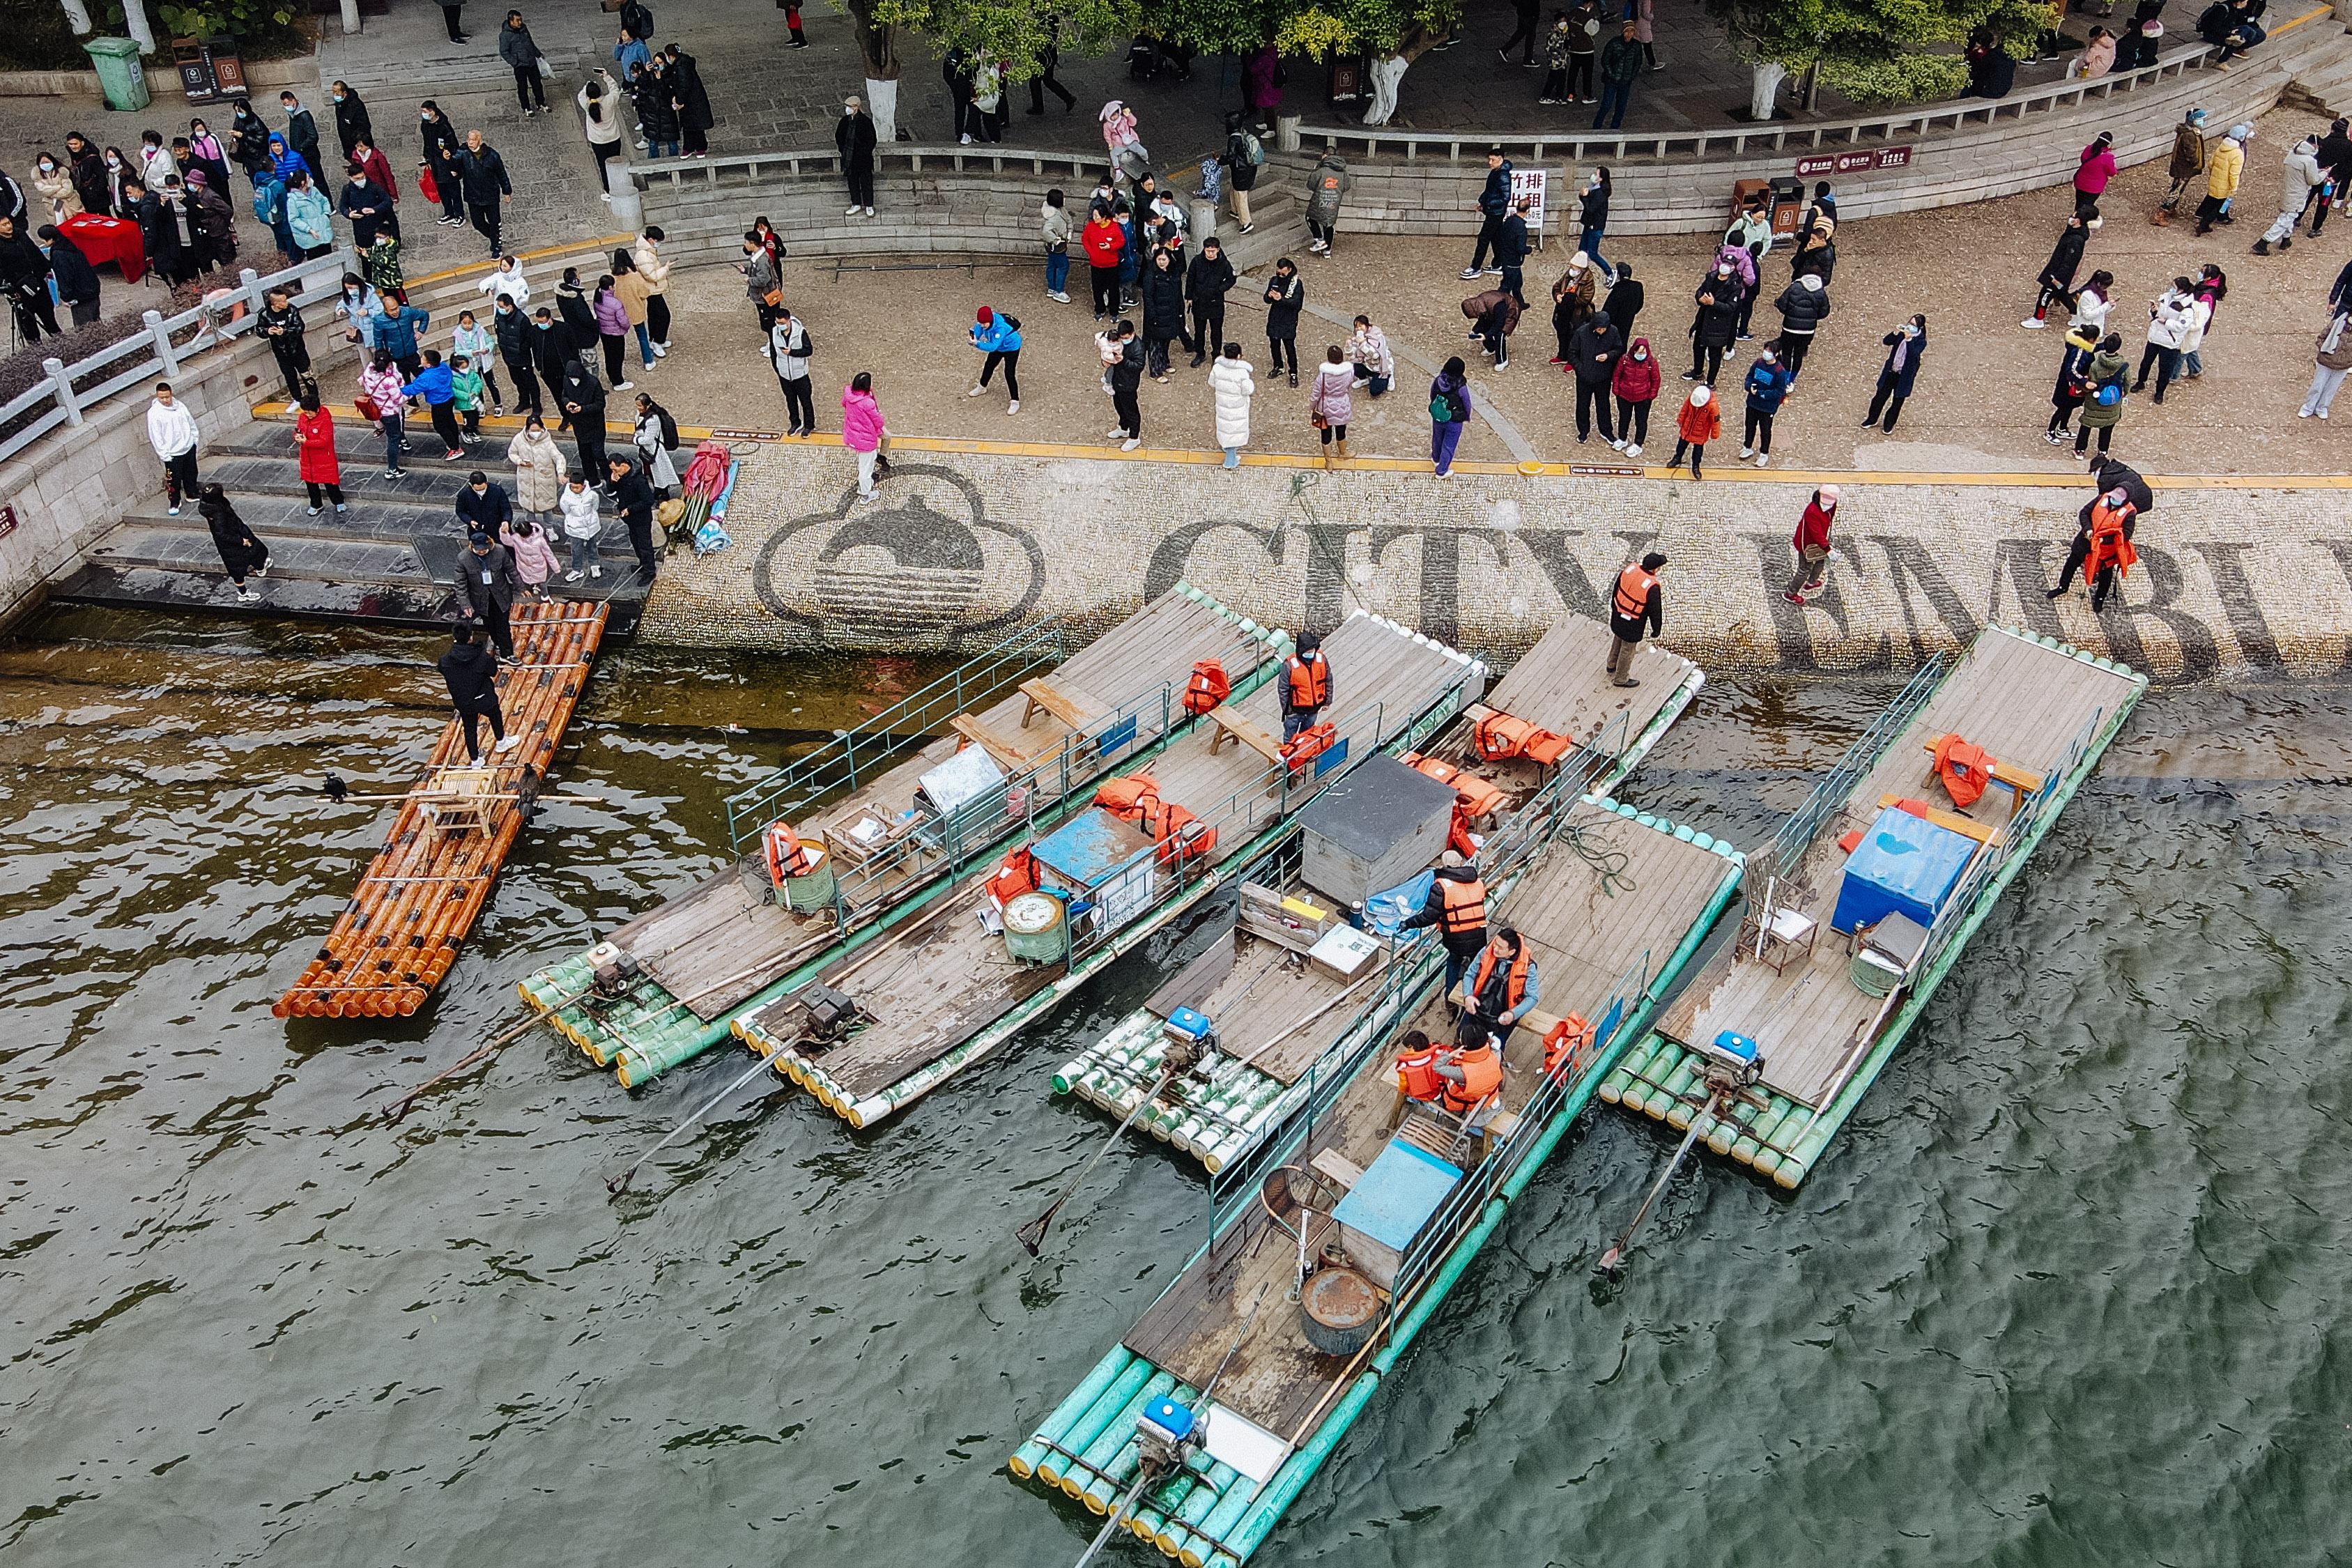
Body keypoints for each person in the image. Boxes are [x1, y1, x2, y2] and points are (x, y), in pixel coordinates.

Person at [1401, 849, 1488, 996]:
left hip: (1456, 936)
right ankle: (1480, 991)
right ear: (1460, 863)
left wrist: (1407, 923)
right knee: (1478, 962)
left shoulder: (1440, 887)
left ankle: (1450, 994)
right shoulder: (1477, 882)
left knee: (1454, 961)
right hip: (1479, 932)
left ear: (1444, 865)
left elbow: (1428, 917)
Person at [2047, 487, 2138, 610]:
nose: (2113, 501)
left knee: (2106, 575)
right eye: (2113, 498)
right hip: (2084, 542)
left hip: (2106, 551)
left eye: (2117, 500)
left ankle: (2100, 599)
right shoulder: (2102, 498)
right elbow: (2085, 512)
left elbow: (2126, 534)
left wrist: (2104, 540)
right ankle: (2062, 587)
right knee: (2071, 564)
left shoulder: (2129, 513)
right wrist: (2088, 529)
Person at [440, 623, 517, 762]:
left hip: (463, 701)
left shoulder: (445, 661)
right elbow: (493, 671)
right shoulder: (481, 657)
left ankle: (475, 760)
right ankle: (501, 741)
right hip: (484, 697)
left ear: (454, 638)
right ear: (471, 637)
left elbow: (443, 670)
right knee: (495, 715)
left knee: (469, 729)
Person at [1461, 926, 1539, 1047]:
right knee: (1463, 1037)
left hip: (1503, 1014)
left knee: (1494, 1047)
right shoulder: (1486, 952)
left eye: (1500, 948)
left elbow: (1532, 997)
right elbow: (1470, 975)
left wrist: (1513, 1014)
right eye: (1495, 944)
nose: (1495, 949)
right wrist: (1468, 996)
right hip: (1477, 1005)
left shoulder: (1528, 967)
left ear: (1511, 952)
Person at [2254, 132, 2325, 254]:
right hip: (2298, 194)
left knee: (2288, 216)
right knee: (2286, 219)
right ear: (2315, 146)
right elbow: (2314, 180)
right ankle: (2263, 242)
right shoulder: (2309, 161)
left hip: (2288, 190)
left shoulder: (2292, 154)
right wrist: (2325, 173)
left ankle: (2286, 239)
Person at [199, 484, 269, 603]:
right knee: (238, 570)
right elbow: (222, 534)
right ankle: (243, 593)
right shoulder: (218, 515)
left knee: (256, 551)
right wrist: (241, 541)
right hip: (233, 544)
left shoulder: (212, 507)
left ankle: (260, 568)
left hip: (237, 535)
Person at [457, 528, 523, 656]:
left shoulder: (499, 551)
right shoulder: (463, 558)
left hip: (500, 595)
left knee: (503, 625)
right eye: (478, 550)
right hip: (480, 598)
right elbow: (460, 584)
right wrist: (465, 605)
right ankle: (498, 643)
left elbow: (511, 570)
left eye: (484, 549)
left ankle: (507, 654)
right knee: (490, 624)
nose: (481, 552)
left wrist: (521, 587)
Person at [1606, 551, 1665, 686]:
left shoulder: (1629, 570)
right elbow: (1655, 611)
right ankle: (1621, 679)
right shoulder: (1652, 587)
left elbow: (1617, 588)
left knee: (1617, 639)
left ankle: (1611, 665)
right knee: (1627, 650)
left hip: (1618, 613)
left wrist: (1614, 607)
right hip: (1633, 623)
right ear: (1655, 568)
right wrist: (1656, 630)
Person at [2133, 277, 2196, 404]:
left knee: (2165, 369)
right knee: (2146, 362)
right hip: (2155, 337)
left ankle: (2160, 392)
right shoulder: (2166, 297)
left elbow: (2182, 326)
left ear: (2181, 290)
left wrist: (2167, 322)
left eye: (2174, 286)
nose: (2171, 288)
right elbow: (2158, 314)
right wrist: (2153, 311)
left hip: (2169, 342)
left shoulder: (2187, 308)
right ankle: (2141, 382)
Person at [2026, 213, 2091, 329]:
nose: (2071, 218)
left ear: (2078, 221)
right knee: (2062, 294)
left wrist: (2057, 277)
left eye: (2074, 216)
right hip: (2059, 274)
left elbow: (2069, 262)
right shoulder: (2074, 232)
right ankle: (2076, 314)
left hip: (2058, 275)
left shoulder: (2075, 240)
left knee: (2045, 295)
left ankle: (2038, 318)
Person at [0, 215, 57, 345]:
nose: (9, 226)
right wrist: (9, 289)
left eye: (9, 223)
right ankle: (35, 348)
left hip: (37, 282)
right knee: (28, 322)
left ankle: (58, 339)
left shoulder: (20, 234)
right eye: (4, 225)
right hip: (19, 290)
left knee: (48, 314)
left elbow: (34, 252)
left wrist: (46, 268)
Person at [146, 382, 201, 516]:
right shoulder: (154, 413)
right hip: (172, 453)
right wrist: (164, 455)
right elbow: (156, 436)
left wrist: (194, 439)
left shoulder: (180, 406)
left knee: (191, 471)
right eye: (162, 398)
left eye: (167, 397)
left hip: (188, 446)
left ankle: (191, 493)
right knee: (174, 480)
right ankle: (174, 502)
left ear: (171, 394)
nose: (165, 400)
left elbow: (190, 422)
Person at [1864, 316, 1927, 433]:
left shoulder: (1921, 341)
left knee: (1897, 402)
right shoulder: (1902, 334)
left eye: (1913, 325)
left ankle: (1889, 424)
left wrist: (1909, 341)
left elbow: (1913, 355)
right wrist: (1895, 332)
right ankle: (1872, 419)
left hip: (1904, 376)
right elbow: (1886, 341)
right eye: (1910, 323)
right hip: (1891, 371)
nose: (1910, 326)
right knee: (1880, 397)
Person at [456, 130, 512, 256]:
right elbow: (456, 167)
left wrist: (507, 191)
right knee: (478, 223)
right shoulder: (464, 153)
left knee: (494, 221)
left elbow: (502, 174)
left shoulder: (492, 156)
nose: (470, 142)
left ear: (480, 141)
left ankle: (496, 244)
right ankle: (494, 236)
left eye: (473, 140)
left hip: (490, 195)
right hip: (473, 195)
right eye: (469, 139)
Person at [2075, 332, 2130, 459]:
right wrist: (2122, 394)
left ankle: (2080, 450)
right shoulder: (2124, 366)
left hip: (2094, 400)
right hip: (2113, 402)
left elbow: (2092, 383)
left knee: (2087, 424)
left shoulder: (2095, 365)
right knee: (2107, 427)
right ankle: (2103, 451)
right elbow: (2127, 384)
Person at [1184, 238, 1236, 366]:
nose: (1210, 254)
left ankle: (1216, 354)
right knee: (1199, 330)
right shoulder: (1197, 261)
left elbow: (1231, 279)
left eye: (1213, 251)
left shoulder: (1224, 263)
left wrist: (1220, 289)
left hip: (1216, 302)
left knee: (1216, 330)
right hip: (1199, 302)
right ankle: (1200, 353)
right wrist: (1189, 297)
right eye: (1208, 251)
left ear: (1218, 250)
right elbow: (1190, 279)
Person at [1464, 148, 1514, 278]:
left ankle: (1475, 267)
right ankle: (1499, 264)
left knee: (1484, 239)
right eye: (1490, 160)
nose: (1490, 163)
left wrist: (1488, 204)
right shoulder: (1495, 173)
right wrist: (1482, 202)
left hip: (1496, 213)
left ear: (1501, 160)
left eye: (1493, 160)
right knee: (1496, 238)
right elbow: (1489, 191)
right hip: (1493, 211)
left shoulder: (1503, 175)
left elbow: (1505, 198)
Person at [608, 453, 659, 578]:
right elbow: (613, 492)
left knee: (645, 546)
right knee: (635, 543)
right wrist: (612, 481)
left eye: (615, 469)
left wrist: (630, 509)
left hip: (641, 519)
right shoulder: (621, 476)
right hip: (630, 519)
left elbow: (648, 501)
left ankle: (650, 571)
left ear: (624, 465)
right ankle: (642, 564)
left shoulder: (639, 481)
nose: (614, 472)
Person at [1771, 273, 1830, 381]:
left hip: (1790, 327)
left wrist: (1789, 313)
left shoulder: (1794, 287)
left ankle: (1784, 377)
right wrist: (1812, 318)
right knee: (1798, 355)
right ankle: (1792, 379)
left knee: (1787, 353)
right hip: (1808, 331)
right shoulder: (1821, 292)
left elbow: (1782, 304)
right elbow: (1824, 312)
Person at [2047, 321, 2099, 444]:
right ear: (2091, 339)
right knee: (2063, 409)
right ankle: (2050, 431)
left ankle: (2063, 428)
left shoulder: (2082, 345)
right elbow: (2071, 370)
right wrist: (2083, 381)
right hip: (2068, 386)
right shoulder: (2079, 351)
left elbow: (2094, 348)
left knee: (2069, 407)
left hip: (2073, 386)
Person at [2155, 108, 2209, 225]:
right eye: (2200, 120)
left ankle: (2171, 209)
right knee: (2176, 190)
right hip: (2184, 169)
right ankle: (2161, 213)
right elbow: (2191, 154)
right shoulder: (2189, 135)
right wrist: (2196, 163)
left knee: (2179, 189)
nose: (2203, 122)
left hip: (2183, 168)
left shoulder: (2190, 132)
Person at [360, 352, 409, 478]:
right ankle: (392, 469)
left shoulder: (368, 373)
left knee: (393, 435)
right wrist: (410, 394)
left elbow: (365, 388)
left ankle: (401, 440)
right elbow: (399, 400)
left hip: (377, 410)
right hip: (391, 413)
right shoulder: (389, 381)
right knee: (393, 438)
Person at [1739, 346, 1791, 467]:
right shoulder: (1758, 363)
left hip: (1767, 408)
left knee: (1765, 430)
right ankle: (1747, 447)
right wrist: (1749, 386)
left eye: (1770, 351)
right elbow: (1749, 376)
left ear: (1776, 353)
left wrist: (1762, 394)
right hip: (1752, 403)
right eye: (1766, 350)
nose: (1766, 353)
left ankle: (1764, 453)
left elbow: (1779, 391)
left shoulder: (1779, 371)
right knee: (1750, 426)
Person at [1786, 485, 1837, 605]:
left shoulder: (1832, 504)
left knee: (1821, 561)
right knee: (1804, 569)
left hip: (1819, 543)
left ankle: (1811, 582)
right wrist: (1828, 549)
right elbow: (1816, 534)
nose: (1828, 507)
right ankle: (1790, 593)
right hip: (1807, 545)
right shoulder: (1812, 511)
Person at [560, 360, 610, 482]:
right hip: (579, 426)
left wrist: (582, 409)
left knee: (599, 454)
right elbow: (564, 396)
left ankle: (610, 479)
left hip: (595, 425)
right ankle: (593, 480)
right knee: (585, 455)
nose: (573, 380)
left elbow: (600, 404)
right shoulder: (567, 380)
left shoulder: (593, 383)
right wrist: (567, 403)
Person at [966, 305, 1022, 413]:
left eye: (984, 324)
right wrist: (972, 338)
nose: (982, 326)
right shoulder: (982, 323)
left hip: (1011, 348)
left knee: (1009, 373)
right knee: (989, 365)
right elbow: (977, 333)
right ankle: (982, 387)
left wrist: (977, 344)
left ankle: (1015, 401)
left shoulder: (1001, 327)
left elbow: (993, 347)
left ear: (990, 320)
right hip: (999, 347)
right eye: (980, 323)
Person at [41, 225, 100, 328]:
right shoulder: (68, 245)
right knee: (96, 323)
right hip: (92, 290)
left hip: (81, 296)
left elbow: (65, 277)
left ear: (50, 239)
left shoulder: (59, 254)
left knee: (85, 329)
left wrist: (66, 297)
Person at [1686, 270, 1738, 384]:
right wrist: (1700, 298)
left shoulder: (1735, 286)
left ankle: (1710, 382)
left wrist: (1713, 303)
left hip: (1718, 326)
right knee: (1698, 348)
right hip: (1703, 320)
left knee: (1714, 355)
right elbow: (1700, 290)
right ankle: (1697, 372)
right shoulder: (1711, 277)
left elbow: (1730, 308)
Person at [579, 71, 627, 194]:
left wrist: (587, 86)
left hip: (598, 141)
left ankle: (608, 190)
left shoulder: (587, 105)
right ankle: (619, 187)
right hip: (613, 138)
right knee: (616, 164)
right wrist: (607, 77)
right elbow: (615, 89)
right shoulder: (609, 101)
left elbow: (581, 95)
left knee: (603, 166)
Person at [2197, 122, 2249, 235]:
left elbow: (2211, 163)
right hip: (2225, 185)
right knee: (2219, 207)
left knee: (2212, 201)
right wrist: (2234, 188)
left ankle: (2203, 217)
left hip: (2215, 180)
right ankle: (2203, 224)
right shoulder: (2237, 153)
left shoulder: (2222, 146)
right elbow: (2234, 174)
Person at [771, 307, 816, 435]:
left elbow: (808, 351)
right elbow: (773, 352)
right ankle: (795, 423)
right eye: (778, 323)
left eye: (782, 323)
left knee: (805, 400)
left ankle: (809, 425)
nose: (780, 326)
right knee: (790, 400)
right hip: (784, 375)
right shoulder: (774, 333)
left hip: (800, 374)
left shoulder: (800, 333)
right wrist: (778, 369)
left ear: (789, 321)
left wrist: (792, 353)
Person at [1611, 335, 1659, 456]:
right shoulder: (1625, 360)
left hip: (1643, 398)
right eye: (1639, 351)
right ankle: (1622, 438)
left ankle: (1638, 444)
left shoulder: (1651, 363)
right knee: (1624, 418)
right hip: (1625, 395)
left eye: (1643, 352)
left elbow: (1656, 380)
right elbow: (1617, 375)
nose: (1641, 354)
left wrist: (1651, 395)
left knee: (1641, 421)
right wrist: (1617, 390)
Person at [1140, 249, 1185, 380]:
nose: (1161, 262)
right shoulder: (1150, 274)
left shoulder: (1174, 273)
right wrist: (1152, 315)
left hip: (1171, 311)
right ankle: (1155, 371)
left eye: (1164, 259)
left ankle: (1164, 363)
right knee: (1155, 343)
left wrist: (1180, 310)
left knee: (1166, 340)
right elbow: (1147, 296)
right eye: (1159, 259)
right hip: (1157, 313)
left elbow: (1178, 293)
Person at [843, 370, 887, 500]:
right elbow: (878, 420)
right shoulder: (867, 403)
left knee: (865, 462)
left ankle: (865, 488)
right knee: (866, 469)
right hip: (865, 439)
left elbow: (843, 404)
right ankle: (866, 494)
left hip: (853, 435)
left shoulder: (849, 395)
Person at [1210, 342, 1254, 470]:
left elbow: (1211, 382)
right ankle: (1230, 460)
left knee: (1226, 427)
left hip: (1222, 404)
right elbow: (1247, 390)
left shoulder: (1217, 368)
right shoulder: (1242, 372)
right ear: (1239, 356)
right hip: (1237, 407)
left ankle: (1229, 450)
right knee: (1234, 430)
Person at [1309, 344, 1354, 467]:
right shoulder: (1349, 371)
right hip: (1342, 405)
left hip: (1325, 408)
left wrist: (1312, 406)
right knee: (1341, 431)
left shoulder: (1322, 376)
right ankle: (1343, 452)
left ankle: (1328, 462)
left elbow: (1316, 394)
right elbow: (1349, 387)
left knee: (1326, 435)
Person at [2302, 309, 2352, 418]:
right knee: (2318, 385)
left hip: (2344, 365)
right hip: (2326, 361)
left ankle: (2322, 408)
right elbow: (2321, 338)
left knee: (2332, 388)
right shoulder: (2337, 323)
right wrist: (2325, 350)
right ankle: (2308, 407)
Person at [1082, 199, 1125, 319]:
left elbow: (1121, 241)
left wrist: (1110, 246)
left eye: (1097, 215)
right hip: (1096, 264)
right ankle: (1099, 309)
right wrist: (1091, 252)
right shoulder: (1091, 226)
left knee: (1113, 289)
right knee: (1097, 288)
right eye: (1094, 215)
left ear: (1104, 217)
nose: (1094, 217)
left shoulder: (1114, 227)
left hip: (1111, 264)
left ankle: (1114, 311)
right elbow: (1085, 239)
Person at [1263, 258, 1305, 385]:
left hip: (1289, 319)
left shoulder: (1296, 284)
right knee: (1274, 344)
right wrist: (1269, 297)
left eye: (1283, 273)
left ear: (1290, 270)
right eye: (1278, 273)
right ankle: (1278, 366)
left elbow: (1297, 305)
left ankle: (1293, 372)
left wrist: (1281, 299)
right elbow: (1266, 299)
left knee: (1289, 346)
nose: (1280, 276)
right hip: (1275, 317)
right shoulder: (1274, 281)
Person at [836, 95, 878, 217]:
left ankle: (869, 205)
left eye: (850, 107)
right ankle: (856, 203)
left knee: (866, 181)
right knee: (852, 181)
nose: (848, 109)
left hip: (863, 159)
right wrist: (843, 150)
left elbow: (871, 140)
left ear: (856, 107)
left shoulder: (865, 122)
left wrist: (864, 152)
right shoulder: (844, 121)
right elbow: (839, 136)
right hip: (849, 158)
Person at [1430, 357, 1472, 477]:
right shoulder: (1461, 387)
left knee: (1437, 438)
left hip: (1439, 415)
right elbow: (1467, 403)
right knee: (1449, 445)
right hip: (1454, 419)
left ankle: (1435, 458)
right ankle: (1441, 471)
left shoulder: (1438, 380)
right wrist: (1466, 416)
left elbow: (1432, 394)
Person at [1596, 22, 1642, 129]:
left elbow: (1638, 62)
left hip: (1626, 81)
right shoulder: (1614, 43)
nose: (1629, 34)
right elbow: (1605, 60)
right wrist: (1612, 75)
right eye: (1627, 31)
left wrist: (1631, 76)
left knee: (1621, 107)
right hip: (1612, 81)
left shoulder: (1636, 46)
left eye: (1631, 31)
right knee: (1606, 105)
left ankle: (1615, 127)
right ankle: (1597, 126)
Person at [590, 272, 633, 389]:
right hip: (615, 333)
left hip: (604, 333)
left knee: (609, 356)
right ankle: (618, 382)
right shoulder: (615, 303)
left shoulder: (597, 299)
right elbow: (623, 321)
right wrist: (626, 327)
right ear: (610, 287)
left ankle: (613, 378)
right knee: (618, 357)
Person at [557, 470, 601, 581]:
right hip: (575, 527)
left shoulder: (592, 495)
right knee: (576, 550)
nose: (575, 489)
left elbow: (595, 507)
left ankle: (595, 565)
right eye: (573, 487)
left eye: (577, 487)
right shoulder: (566, 498)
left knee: (592, 546)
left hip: (591, 525)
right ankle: (577, 570)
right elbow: (566, 510)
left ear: (583, 485)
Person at [1106, 322, 1145, 449]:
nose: (1123, 341)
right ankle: (1123, 428)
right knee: (1119, 406)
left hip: (1129, 384)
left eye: (1126, 338)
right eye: (1121, 338)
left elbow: (1138, 367)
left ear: (1133, 334)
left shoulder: (1138, 347)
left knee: (1131, 410)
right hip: (1117, 381)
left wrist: (1123, 360)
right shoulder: (1118, 341)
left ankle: (1134, 437)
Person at [1668, 381, 1718, 479]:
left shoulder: (1712, 406)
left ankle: (1696, 466)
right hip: (1688, 427)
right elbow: (1685, 409)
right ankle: (1677, 458)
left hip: (1701, 431)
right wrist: (1681, 419)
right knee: (1682, 444)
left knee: (1698, 450)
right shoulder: (1694, 396)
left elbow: (1715, 421)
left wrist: (1715, 434)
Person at [1305, 150, 1349, 256]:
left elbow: (1310, 185)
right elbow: (1347, 186)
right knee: (1329, 223)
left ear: (1325, 155)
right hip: (1335, 200)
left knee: (1310, 218)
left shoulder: (1320, 170)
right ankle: (1327, 251)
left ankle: (1320, 241)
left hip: (1319, 200)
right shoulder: (1343, 171)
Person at [1223, 113, 1261, 233]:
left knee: (1241, 195)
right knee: (1234, 188)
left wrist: (1219, 160)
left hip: (1240, 171)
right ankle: (1235, 210)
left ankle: (1246, 223)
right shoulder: (1243, 133)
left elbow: (1231, 157)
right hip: (1249, 168)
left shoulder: (1233, 139)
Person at [634, 393, 680, 493]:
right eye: (637, 405)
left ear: (647, 405)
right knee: (652, 473)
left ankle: (663, 494)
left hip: (655, 452)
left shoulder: (653, 420)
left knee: (660, 474)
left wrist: (636, 440)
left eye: (640, 406)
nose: (638, 408)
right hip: (647, 451)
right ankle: (657, 492)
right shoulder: (642, 415)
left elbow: (648, 439)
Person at [1466, 286, 1519, 369]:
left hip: (1510, 312)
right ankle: (1491, 348)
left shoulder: (1498, 305)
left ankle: (1503, 360)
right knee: (1484, 328)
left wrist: (1486, 336)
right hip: (1495, 314)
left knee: (1500, 334)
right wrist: (1475, 330)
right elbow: (1483, 319)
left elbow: (1499, 325)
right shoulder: (1481, 304)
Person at [456, 470, 514, 541]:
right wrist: (470, 521)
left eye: (483, 489)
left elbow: (506, 509)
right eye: (477, 490)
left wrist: (506, 521)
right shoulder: (464, 494)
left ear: (487, 483)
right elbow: (460, 511)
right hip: (478, 531)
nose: (481, 492)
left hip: (498, 529)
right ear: (471, 485)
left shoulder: (497, 491)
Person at [279, 91, 324, 183]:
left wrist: (301, 147)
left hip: (309, 155)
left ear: (294, 101)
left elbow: (313, 136)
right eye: (284, 104)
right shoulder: (292, 115)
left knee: (317, 179)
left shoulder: (304, 116)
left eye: (287, 104)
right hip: (300, 154)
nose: (286, 106)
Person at [1040, 189, 1074, 304]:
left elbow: (1068, 219)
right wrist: (1055, 240)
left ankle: (1052, 288)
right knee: (1064, 267)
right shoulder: (1054, 217)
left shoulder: (1060, 210)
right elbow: (1046, 231)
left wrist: (1070, 231)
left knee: (1052, 266)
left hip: (1053, 246)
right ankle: (1059, 291)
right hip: (1057, 246)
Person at [1346, 314, 1393, 398]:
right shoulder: (1358, 338)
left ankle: (1389, 377)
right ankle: (1364, 379)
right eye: (1357, 327)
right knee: (1354, 366)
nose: (1359, 329)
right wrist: (1349, 347)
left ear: (1367, 325)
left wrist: (1363, 344)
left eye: (1361, 326)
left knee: (1374, 391)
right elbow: (1353, 357)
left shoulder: (1376, 336)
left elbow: (1376, 355)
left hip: (1380, 368)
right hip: (1368, 365)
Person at [2073, 130, 2116, 218]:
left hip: (2080, 183)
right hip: (2094, 188)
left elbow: (2083, 159)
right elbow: (2112, 172)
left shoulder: (2088, 149)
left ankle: (2074, 219)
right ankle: (2079, 224)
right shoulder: (2107, 157)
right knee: (2087, 206)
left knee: (2079, 204)